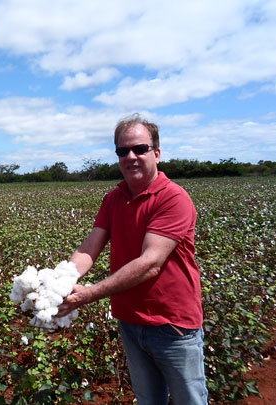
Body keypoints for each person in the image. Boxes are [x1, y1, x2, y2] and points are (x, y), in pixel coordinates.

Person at [57, 114, 208, 404]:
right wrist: (58, 282)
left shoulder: (172, 198)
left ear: (157, 153)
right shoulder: (113, 199)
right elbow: (90, 247)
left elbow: (150, 263)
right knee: (148, 400)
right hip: (130, 322)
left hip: (172, 325)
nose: (131, 156)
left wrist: (88, 294)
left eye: (140, 149)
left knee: (190, 400)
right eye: (122, 151)